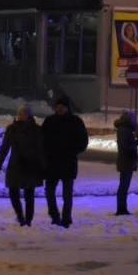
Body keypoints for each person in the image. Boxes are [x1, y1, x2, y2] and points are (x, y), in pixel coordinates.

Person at [39, 95, 88, 227]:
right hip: (52, 163)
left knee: (67, 194)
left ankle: (66, 218)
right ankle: (54, 215)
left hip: (68, 162)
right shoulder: (49, 121)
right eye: (58, 107)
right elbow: (42, 141)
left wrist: (72, 151)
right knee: (49, 192)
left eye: (62, 107)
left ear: (67, 108)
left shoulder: (75, 121)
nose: (60, 109)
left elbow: (83, 141)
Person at [0, 105, 46, 227]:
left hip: (29, 166)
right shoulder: (13, 129)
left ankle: (27, 220)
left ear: (29, 115)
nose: (21, 116)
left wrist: (44, 167)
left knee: (28, 194)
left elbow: (41, 150)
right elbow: (4, 148)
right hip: (17, 166)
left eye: (24, 113)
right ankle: (22, 217)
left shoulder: (36, 130)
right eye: (20, 113)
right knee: (14, 192)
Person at [113, 109, 138, 216]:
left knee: (124, 185)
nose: (135, 120)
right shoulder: (124, 130)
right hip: (126, 161)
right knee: (124, 185)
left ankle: (122, 208)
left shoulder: (124, 129)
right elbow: (126, 146)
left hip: (126, 160)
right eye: (133, 118)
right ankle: (121, 208)